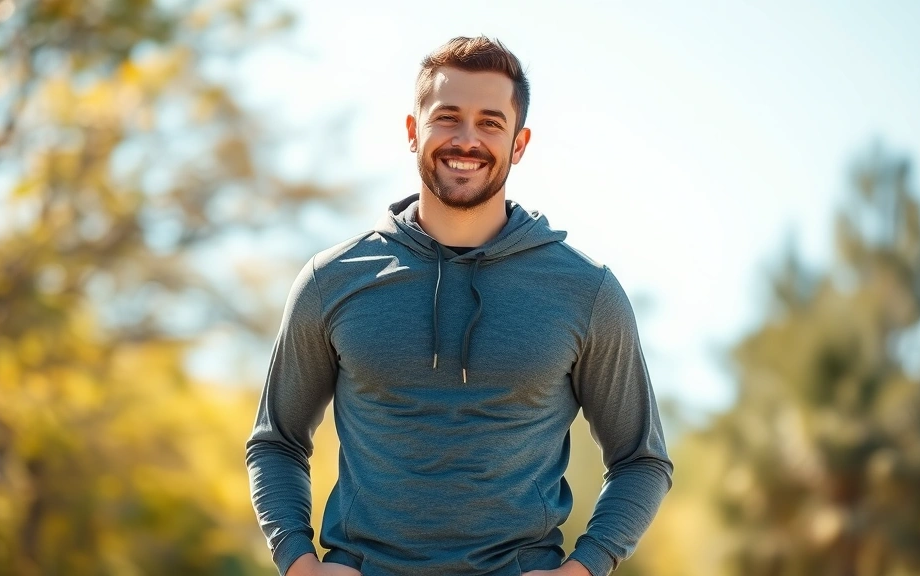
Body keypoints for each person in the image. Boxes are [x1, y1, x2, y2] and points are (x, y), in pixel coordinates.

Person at [246, 36, 673, 576]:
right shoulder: (331, 281)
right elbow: (277, 442)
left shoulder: (585, 291)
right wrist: (299, 564)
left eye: (490, 123)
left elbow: (641, 460)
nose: (467, 140)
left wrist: (585, 567)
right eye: (447, 118)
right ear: (412, 131)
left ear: (519, 143)